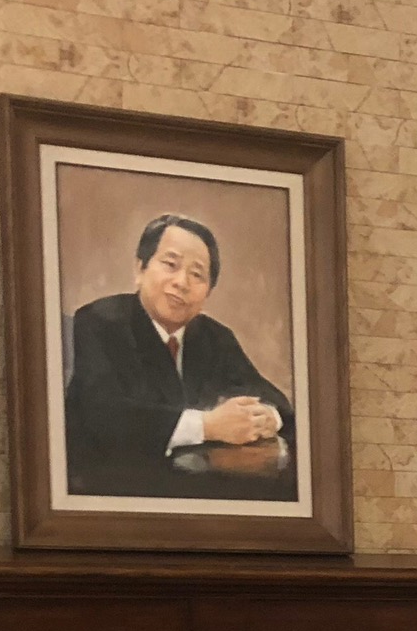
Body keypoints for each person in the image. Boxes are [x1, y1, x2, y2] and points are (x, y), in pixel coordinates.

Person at [63, 212, 296, 496]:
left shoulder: (215, 337)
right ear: (140, 269)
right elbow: (106, 417)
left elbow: (274, 400)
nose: (182, 282)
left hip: (194, 491)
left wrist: (267, 417)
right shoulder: (99, 321)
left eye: (197, 274)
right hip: (108, 491)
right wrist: (208, 426)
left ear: (208, 292)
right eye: (170, 265)